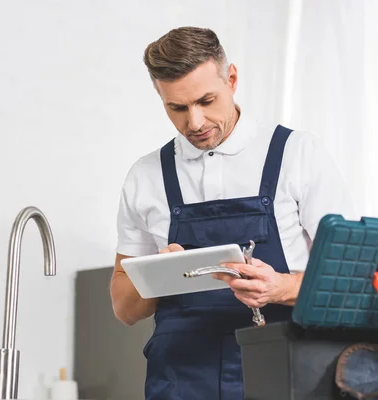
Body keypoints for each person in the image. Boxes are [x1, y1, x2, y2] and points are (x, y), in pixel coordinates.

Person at [110, 26, 355, 400]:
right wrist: (158, 276)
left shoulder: (297, 153)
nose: (195, 122)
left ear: (232, 79)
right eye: (177, 107)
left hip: (283, 369)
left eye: (206, 100)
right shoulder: (146, 176)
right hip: (180, 377)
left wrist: (282, 287)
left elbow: (350, 282)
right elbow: (124, 309)